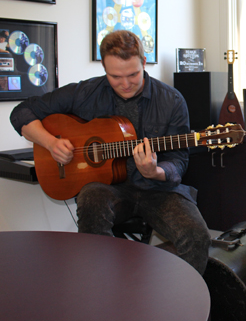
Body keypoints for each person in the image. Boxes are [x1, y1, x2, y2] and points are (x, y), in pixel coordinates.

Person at [10, 30, 211, 274]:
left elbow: (179, 160)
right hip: (109, 189)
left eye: (133, 74)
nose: (125, 84)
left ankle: (187, 308)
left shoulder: (172, 100)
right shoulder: (86, 93)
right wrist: (51, 143)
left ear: (144, 63)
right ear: (104, 68)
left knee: (197, 236)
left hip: (158, 191)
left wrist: (156, 171)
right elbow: (21, 112)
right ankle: (100, 294)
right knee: (91, 198)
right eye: (115, 76)